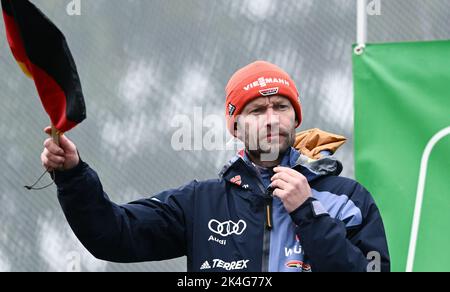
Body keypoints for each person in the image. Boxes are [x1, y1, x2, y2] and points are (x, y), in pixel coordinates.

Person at [41, 61, 390, 272]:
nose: (271, 118)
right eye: (256, 110)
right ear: (235, 126)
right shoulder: (200, 202)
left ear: (295, 118)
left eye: (281, 107)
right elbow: (113, 235)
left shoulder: (348, 199)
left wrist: (308, 213)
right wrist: (72, 175)